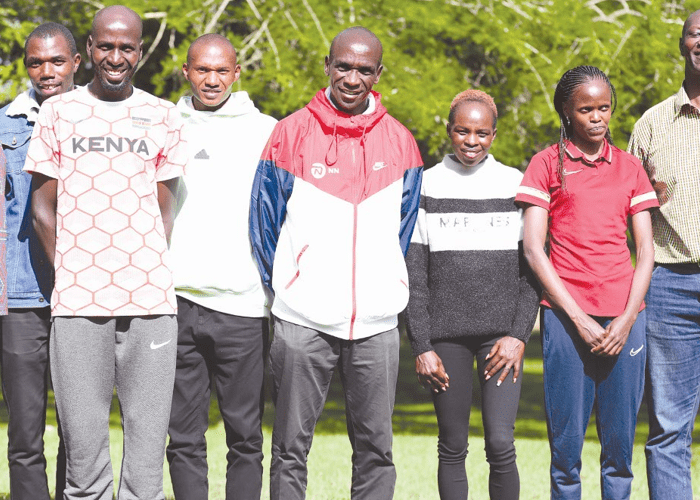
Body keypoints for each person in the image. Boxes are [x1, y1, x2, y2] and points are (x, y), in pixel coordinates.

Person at [249, 26, 423, 500]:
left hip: (376, 324)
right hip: (301, 322)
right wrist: (289, 283)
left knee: (375, 449)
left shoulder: (401, 142)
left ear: (378, 74)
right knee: (289, 448)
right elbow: (263, 221)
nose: (352, 78)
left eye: (364, 70)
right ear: (327, 65)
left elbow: (402, 230)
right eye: (343, 66)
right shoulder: (289, 133)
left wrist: (383, 282)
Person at [24, 5, 187, 499]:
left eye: (127, 47)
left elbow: (165, 210)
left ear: (140, 51)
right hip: (78, 306)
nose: (116, 57)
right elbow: (42, 210)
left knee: (145, 468)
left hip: (152, 306)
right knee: (85, 461)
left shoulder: (164, 114)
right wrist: (74, 272)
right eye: (106, 47)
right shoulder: (57, 112)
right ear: (89, 50)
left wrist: (139, 267)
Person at [515, 66, 657, 499]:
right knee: (566, 452)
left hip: (625, 322)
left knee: (619, 453)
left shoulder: (631, 168)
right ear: (566, 111)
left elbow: (646, 253)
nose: (597, 117)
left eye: (604, 108)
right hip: (564, 319)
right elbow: (534, 249)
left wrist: (626, 319)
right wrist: (577, 318)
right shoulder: (544, 164)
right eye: (586, 109)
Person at [405, 89, 539, 500]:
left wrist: (518, 336)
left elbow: (531, 269)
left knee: (500, 444)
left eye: (481, 133)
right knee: (452, 446)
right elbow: (414, 273)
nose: (471, 140)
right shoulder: (425, 184)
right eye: (462, 131)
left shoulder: (515, 183)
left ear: (494, 135)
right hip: (446, 341)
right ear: (449, 131)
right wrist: (421, 345)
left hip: (501, 340)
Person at [166, 33, 277, 500]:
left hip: (244, 304)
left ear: (236, 74)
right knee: (183, 435)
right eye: (201, 70)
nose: (211, 80)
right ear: (186, 71)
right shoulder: (165, 123)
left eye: (221, 71)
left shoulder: (267, 130)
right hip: (176, 301)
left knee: (245, 436)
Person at [0, 21, 79, 500]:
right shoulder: (6, 125)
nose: (45, 71)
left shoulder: (101, 120)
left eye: (55, 60)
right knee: (25, 429)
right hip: (23, 291)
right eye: (35, 62)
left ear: (76, 61)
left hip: (86, 292)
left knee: (80, 427)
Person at [627, 10, 700, 499]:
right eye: (697, 33)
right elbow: (625, 214)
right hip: (670, 287)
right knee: (670, 427)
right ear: (682, 44)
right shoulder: (652, 125)